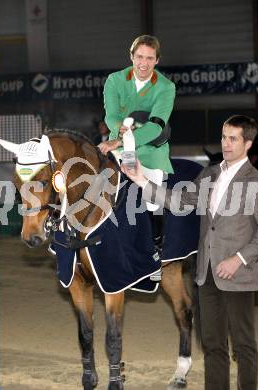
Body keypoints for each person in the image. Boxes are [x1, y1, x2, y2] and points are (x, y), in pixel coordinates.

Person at [121, 115, 258, 389]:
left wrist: (239, 259)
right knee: (213, 346)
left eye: (233, 139)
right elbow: (179, 201)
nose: (226, 144)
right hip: (206, 274)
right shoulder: (209, 175)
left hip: (238, 275)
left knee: (243, 345)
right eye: (223, 137)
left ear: (248, 143)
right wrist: (141, 180)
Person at [99, 34, 176, 281]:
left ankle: (156, 251)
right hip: (117, 147)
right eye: (139, 57)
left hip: (151, 150)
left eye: (149, 58)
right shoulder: (114, 80)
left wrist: (122, 139)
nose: (144, 63)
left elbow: (156, 127)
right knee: (85, 178)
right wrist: (119, 129)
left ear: (157, 60)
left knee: (153, 200)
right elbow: (110, 116)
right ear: (131, 56)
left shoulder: (166, 87)